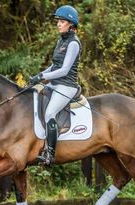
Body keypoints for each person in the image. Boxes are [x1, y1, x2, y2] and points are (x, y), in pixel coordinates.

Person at [29, 5, 81, 165]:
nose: (58, 23)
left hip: (67, 86)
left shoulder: (73, 43)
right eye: (58, 20)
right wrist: (39, 76)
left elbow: (64, 70)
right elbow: (55, 66)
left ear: (71, 24)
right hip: (55, 84)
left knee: (50, 112)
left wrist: (43, 76)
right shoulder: (61, 40)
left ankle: (50, 154)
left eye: (62, 21)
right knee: (32, 96)